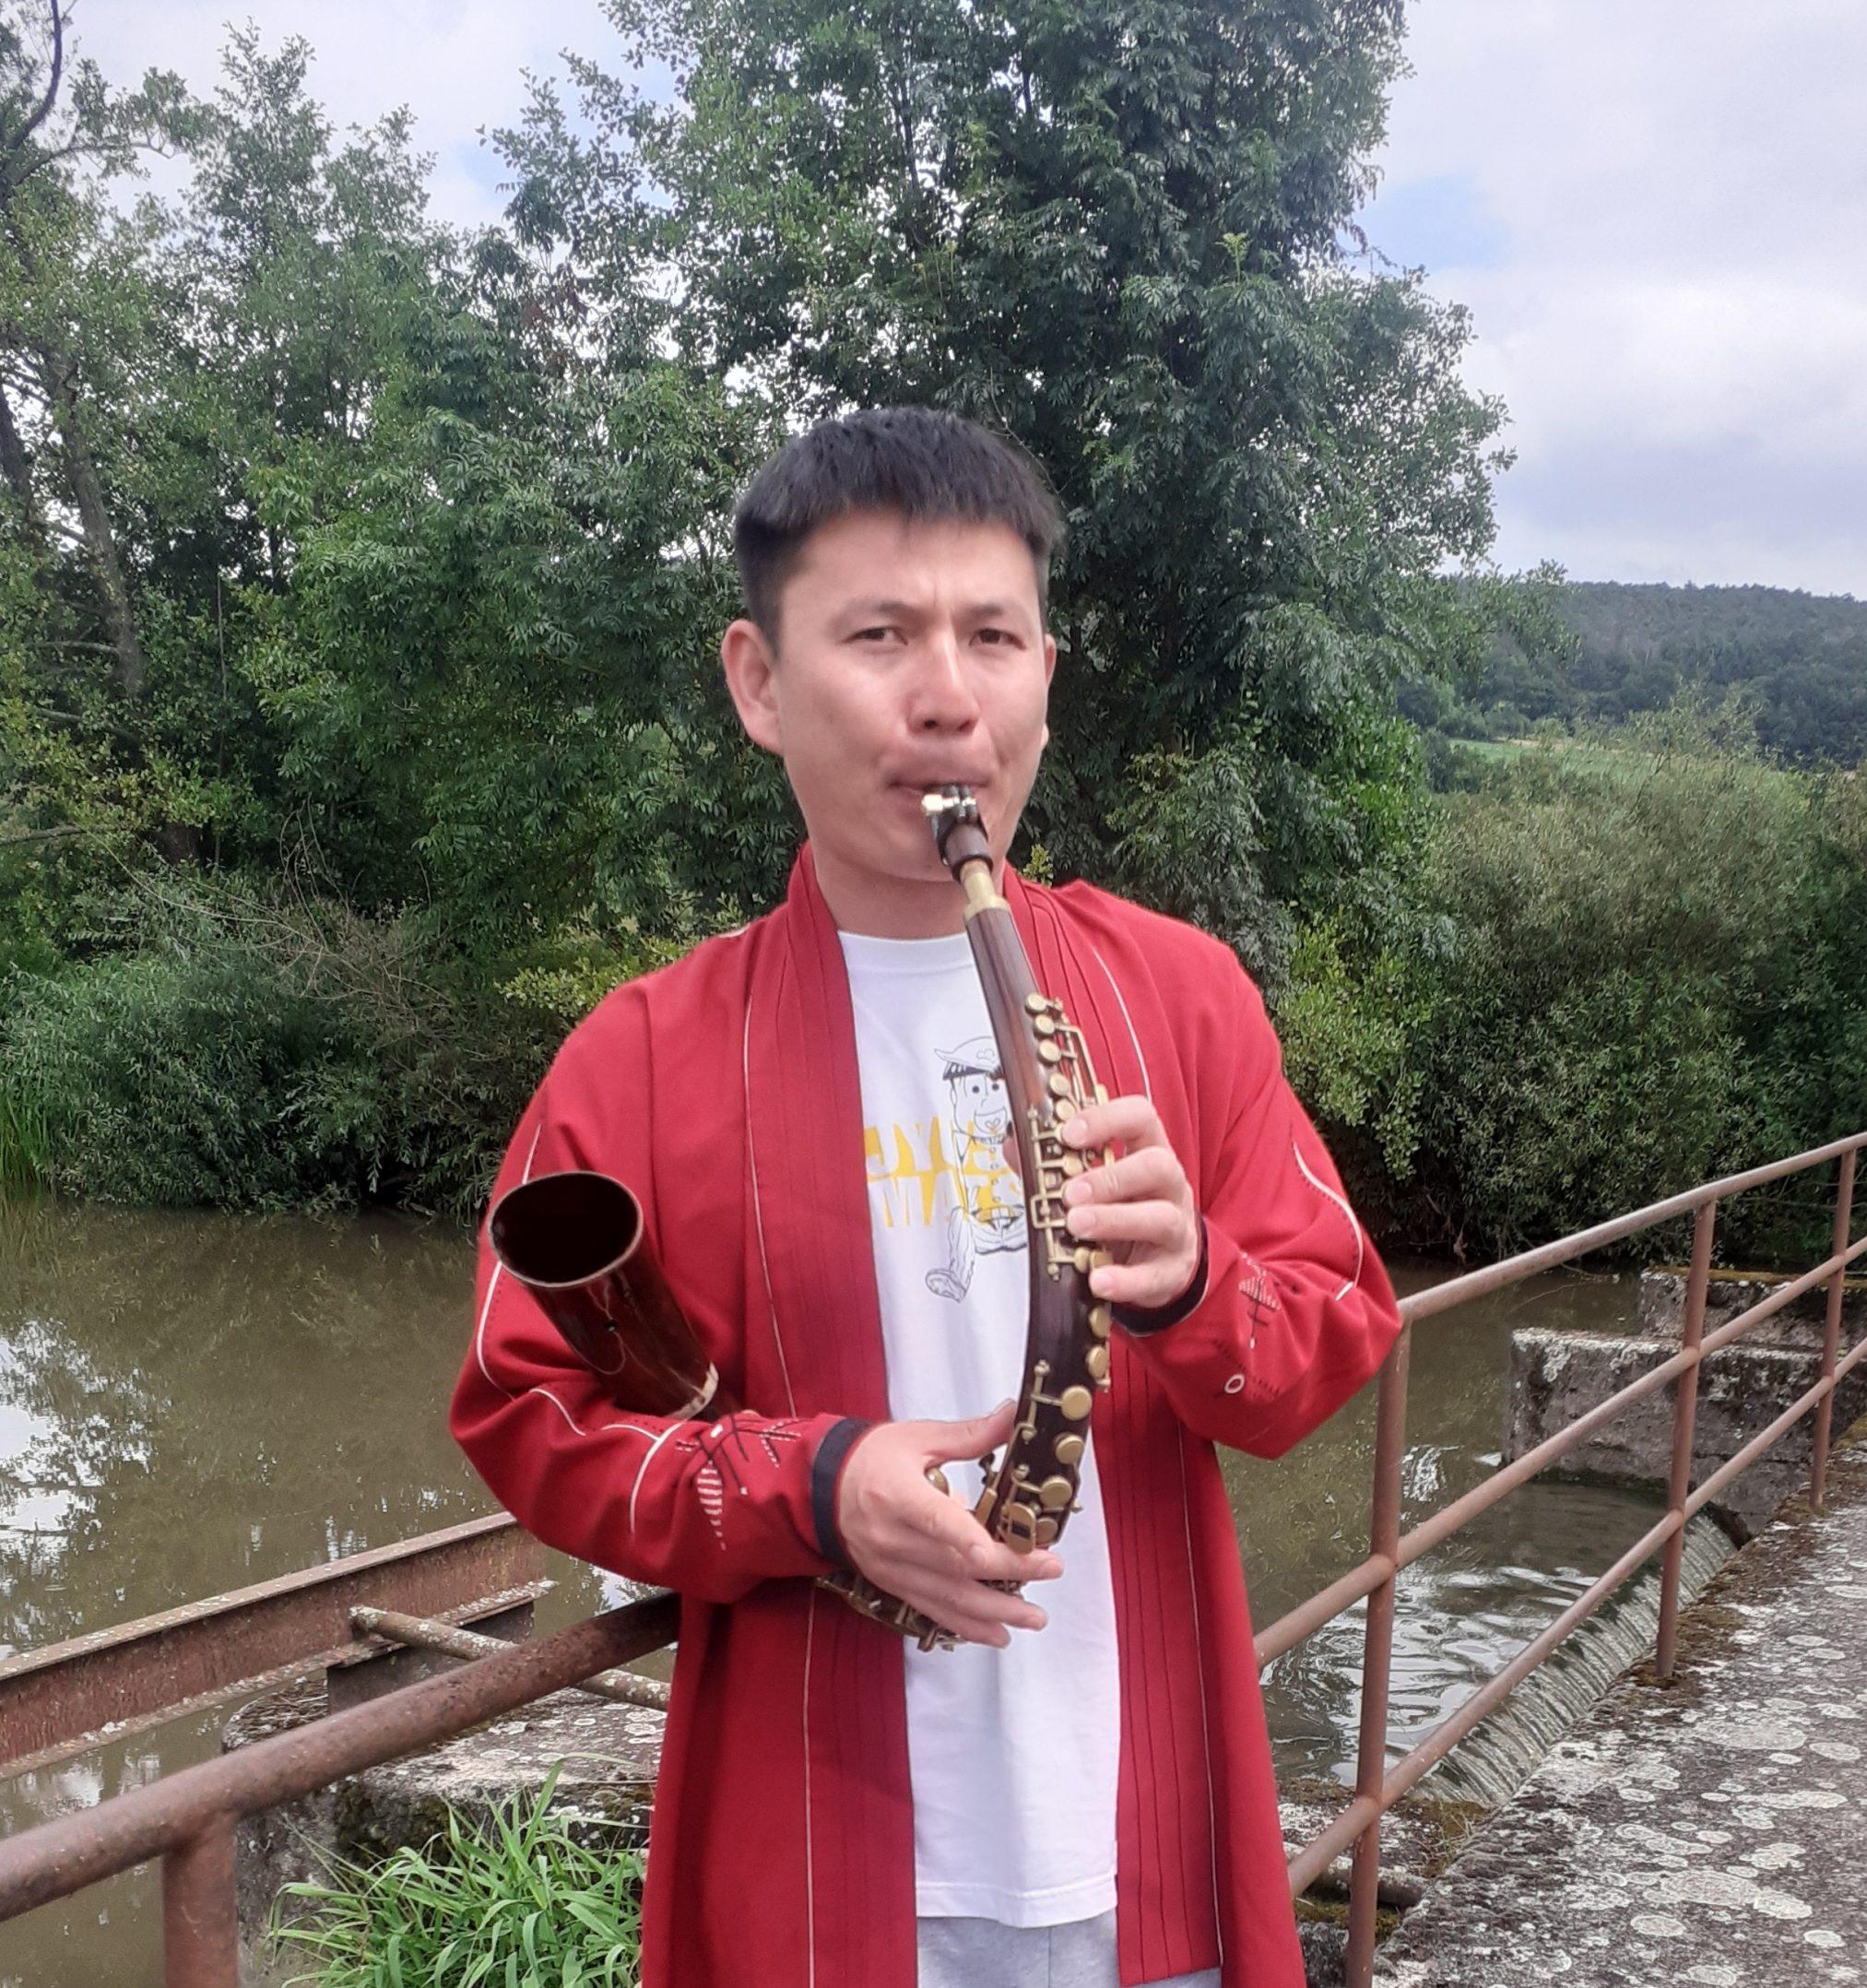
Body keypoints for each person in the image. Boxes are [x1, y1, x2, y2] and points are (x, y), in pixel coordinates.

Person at [451, 408, 1400, 1987]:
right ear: (760, 682)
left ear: (1047, 675)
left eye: (994, 637)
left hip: (1148, 1873)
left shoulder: (1182, 994)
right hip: (816, 1890)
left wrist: (1193, 1284)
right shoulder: (641, 1056)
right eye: (879, 635)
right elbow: (525, 1410)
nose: (949, 696)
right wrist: (809, 1488)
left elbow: (1334, 1329)